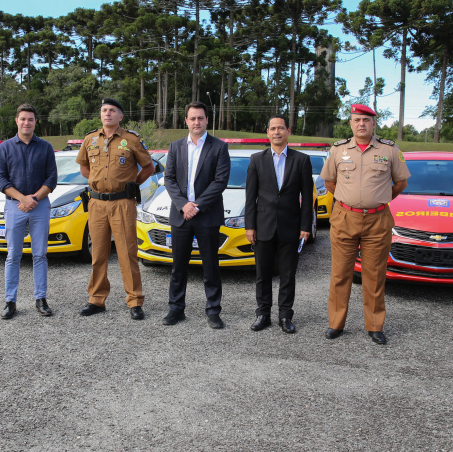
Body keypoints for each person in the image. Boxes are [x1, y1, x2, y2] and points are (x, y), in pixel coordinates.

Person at [320, 104, 410, 344]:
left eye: (366, 121)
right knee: (340, 274)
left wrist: (377, 199)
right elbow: (330, 182)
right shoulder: (338, 150)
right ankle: (336, 324)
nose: (361, 124)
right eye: (357, 120)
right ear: (351, 123)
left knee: (375, 275)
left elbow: (400, 183)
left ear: (373, 124)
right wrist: (350, 200)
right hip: (344, 218)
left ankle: (374, 325)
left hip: (377, 220)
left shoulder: (390, 150)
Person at [75, 98, 155, 320]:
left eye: (112, 111)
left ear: (120, 116)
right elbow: (83, 165)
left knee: (127, 253)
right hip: (97, 203)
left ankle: (135, 301)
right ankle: (96, 299)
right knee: (98, 253)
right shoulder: (90, 139)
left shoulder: (131, 139)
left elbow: (149, 166)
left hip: (123, 203)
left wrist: (133, 184)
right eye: (104, 110)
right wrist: (96, 180)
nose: (107, 114)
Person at [162, 101, 231, 329]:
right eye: (192, 118)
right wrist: (184, 205)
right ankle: (176, 309)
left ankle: (213, 310)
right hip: (181, 215)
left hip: (207, 215)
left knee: (210, 265)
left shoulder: (219, 147)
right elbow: (169, 179)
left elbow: (220, 181)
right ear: (186, 121)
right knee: (178, 266)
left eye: (200, 118)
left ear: (207, 120)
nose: (196, 122)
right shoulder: (175, 147)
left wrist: (197, 205)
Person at [245, 116, 314, 334]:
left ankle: (285, 316)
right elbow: (250, 197)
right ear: (267, 133)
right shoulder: (256, 159)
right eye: (273, 128)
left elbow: (307, 196)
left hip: (290, 226)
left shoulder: (301, 160)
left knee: (287, 274)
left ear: (288, 131)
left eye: (281, 128)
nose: (277, 132)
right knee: (262, 274)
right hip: (263, 225)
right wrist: (250, 226)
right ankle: (263, 314)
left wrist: (305, 226)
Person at [0, 103, 58, 320]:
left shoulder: (45, 147)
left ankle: (41, 299)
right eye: (23, 119)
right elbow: (0, 179)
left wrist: (34, 199)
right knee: (13, 255)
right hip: (15, 206)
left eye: (30, 119)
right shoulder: (5, 147)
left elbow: (52, 179)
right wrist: (22, 199)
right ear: (16, 121)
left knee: (40, 254)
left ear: (35, 122)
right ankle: (10, 302)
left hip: (40, 206)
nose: (26, 123)